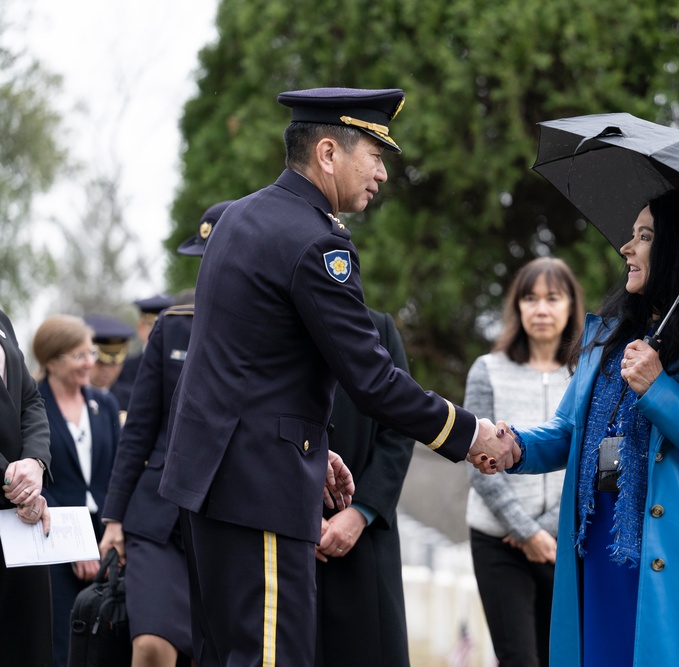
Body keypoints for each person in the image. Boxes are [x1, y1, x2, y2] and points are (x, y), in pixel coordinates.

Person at [158, 86, 510, 666]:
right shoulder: (317, 243)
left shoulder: (241, 218)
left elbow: (241, 363)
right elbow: (372, 380)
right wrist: (469, 434)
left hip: (210, 484)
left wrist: (313, 448)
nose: (383, 174)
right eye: (374, 155)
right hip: (260, 495)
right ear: (328, 152)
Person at [488, 190, 679, 666]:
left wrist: (660, 388)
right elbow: (568, 431)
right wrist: (516, 447)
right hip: (598, 543)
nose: (627, 247)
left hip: (671, 556)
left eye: (644, 237)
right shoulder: (609, 335)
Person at [98, 200, 232, 667]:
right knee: (152, 646)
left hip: (225, 517)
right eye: (202, 258)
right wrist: (114, 518)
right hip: (155, 518)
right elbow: (137, 432)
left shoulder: (268, 327)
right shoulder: (172, 327)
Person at [464, 257, 584, 667]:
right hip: (497, 539)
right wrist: (523, 529)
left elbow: (586, 460)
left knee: (560, 657)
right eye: (530, 298)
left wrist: (544, 531)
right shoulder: (488, 370)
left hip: (560, 541)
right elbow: (476, 459)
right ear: (517, 307)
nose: (541, 309)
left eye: (553, 298)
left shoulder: (585, 377)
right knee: (518, 658)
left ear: (571, 307)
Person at [314, 307, 414, 667]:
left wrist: (360, 512)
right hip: (286, 538)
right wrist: (298, 516)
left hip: (366, 539)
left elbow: (401, 429)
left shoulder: (379, 328)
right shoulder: (271, 325)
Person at [34, 314, 122, 667]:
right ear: (52, 361)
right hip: (49, 537)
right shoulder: (33, 408)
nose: (91, 362)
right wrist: (73, 544)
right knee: (59, 641)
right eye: (80, 355)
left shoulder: (105, 405)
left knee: (106, 638)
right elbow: (36, 480)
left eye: (91, 353)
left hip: (105, 535)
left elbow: (119, 470)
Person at [0, 307, 54, 666]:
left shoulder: (2, 319)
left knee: (26, 647)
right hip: (15, 496)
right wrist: (13, 480)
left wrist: (35, 463)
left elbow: (30, 399)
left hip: (18, 519)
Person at [111, 293, 173, 413]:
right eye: (153, 326)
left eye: (167, 327)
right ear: (140, 328)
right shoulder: (125, 368)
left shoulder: (182, 366)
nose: (160, 333)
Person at [84, 314, 134, 399]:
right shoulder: (69, 398)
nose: (106, 369)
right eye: (100, 361)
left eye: (113, 363)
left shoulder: (132, 399)